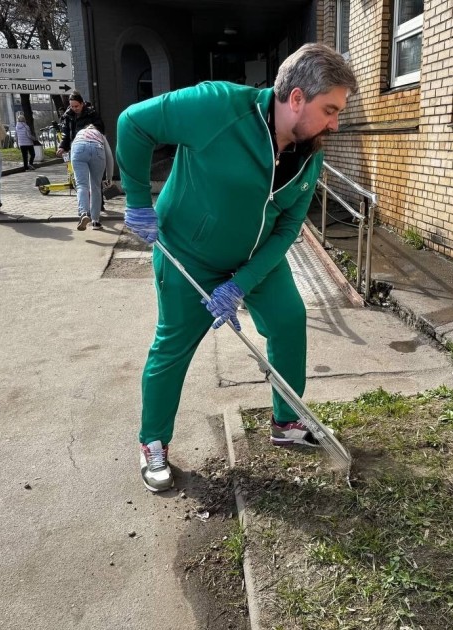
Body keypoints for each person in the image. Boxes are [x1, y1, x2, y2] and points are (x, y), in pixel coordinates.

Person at [117, 43, 358, 492]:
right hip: (188, 254)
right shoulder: (217, 106)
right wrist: (136, 202)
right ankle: (153, 443)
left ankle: (286, 422)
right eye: (330, 109)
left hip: (256, 259)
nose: (335, 123)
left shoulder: (310, 153)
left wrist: (242, 284)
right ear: (298, 98)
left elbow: (287, 228)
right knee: (172, 348)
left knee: (288, 320)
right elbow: (133, 124)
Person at [71, 124, 113, 231]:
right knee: (95, 187)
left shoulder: (80, 133)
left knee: (81, 185)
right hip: (97, 149)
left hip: (78, 148)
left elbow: (73, 149)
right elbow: (109, 155)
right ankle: (95, 221)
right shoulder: (100, 135)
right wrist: (109, 177)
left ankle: (84, 213)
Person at [56, 91, 104, 157]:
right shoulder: (67, 116)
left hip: (90, 149)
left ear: (82, 104)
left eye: (76, 106)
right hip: (74, 149)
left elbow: (101, 129)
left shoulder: (91, 114)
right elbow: (66, 134)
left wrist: (94, 128)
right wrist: (62, 147)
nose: (74, 109)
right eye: (72, 106)